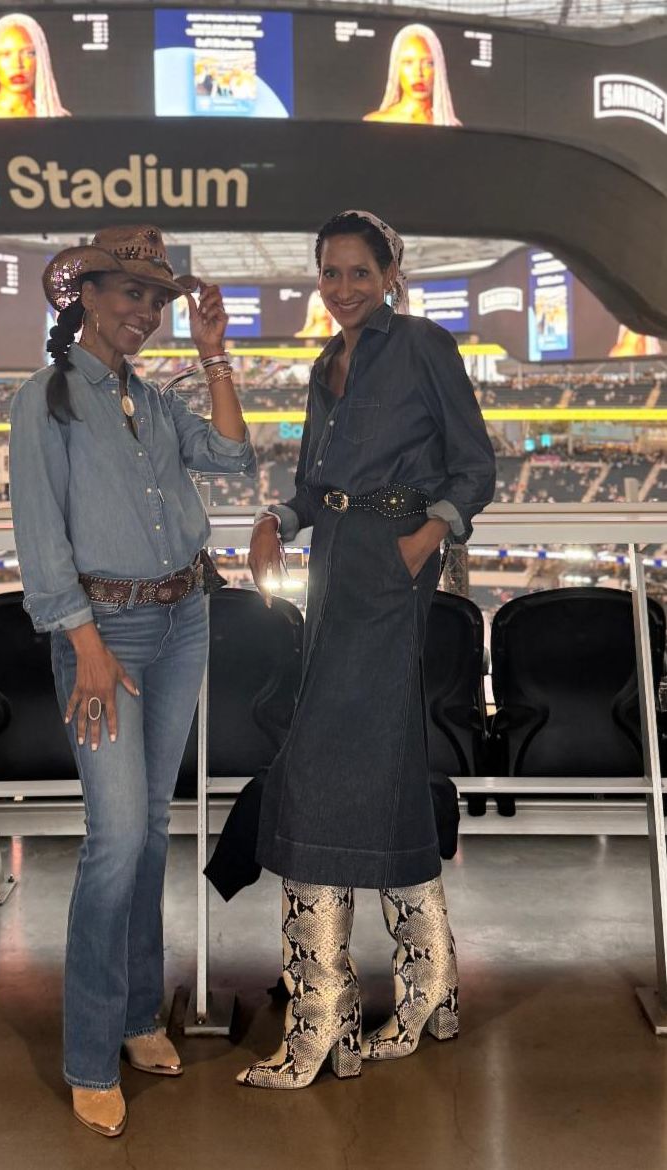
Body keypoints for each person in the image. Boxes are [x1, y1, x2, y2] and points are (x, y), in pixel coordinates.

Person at [8, 225, 255, 1136]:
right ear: (86, 295)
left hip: (185, 618)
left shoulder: (152, 400)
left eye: (157, 299)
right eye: (130, 293)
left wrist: (214, 354)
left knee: (149, 832)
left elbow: (232, 456)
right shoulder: (44, 401)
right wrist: (86, 645)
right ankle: (88, 1053)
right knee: (115, 840)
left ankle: (139, 1013)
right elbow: (42, 541)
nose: (145, 312)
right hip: (102, 636)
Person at [242, 210, 495, 1090]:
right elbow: (316, 484)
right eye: (330, 273)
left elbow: (475, 466)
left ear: (391, 273)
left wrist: (425, 541)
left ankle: (323, 1019)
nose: (343, 288)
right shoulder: (326, 365)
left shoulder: (423, 346)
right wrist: (278, 517)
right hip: (333, 569)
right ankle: (431, 987)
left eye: (359, 272)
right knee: (385, 773)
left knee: (315, 774)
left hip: (389, 570)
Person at [0, 13, 70, 120]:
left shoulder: (60, 117)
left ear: (41, 58)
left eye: (28, 53)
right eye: (6, 54)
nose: (17, 64)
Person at [364, 23, 461, 127]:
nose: (418, 73)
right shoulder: (375, 121)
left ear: (439, 69)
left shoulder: (451, 125)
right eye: (408, 62)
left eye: (428, 63)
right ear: (396, 68)